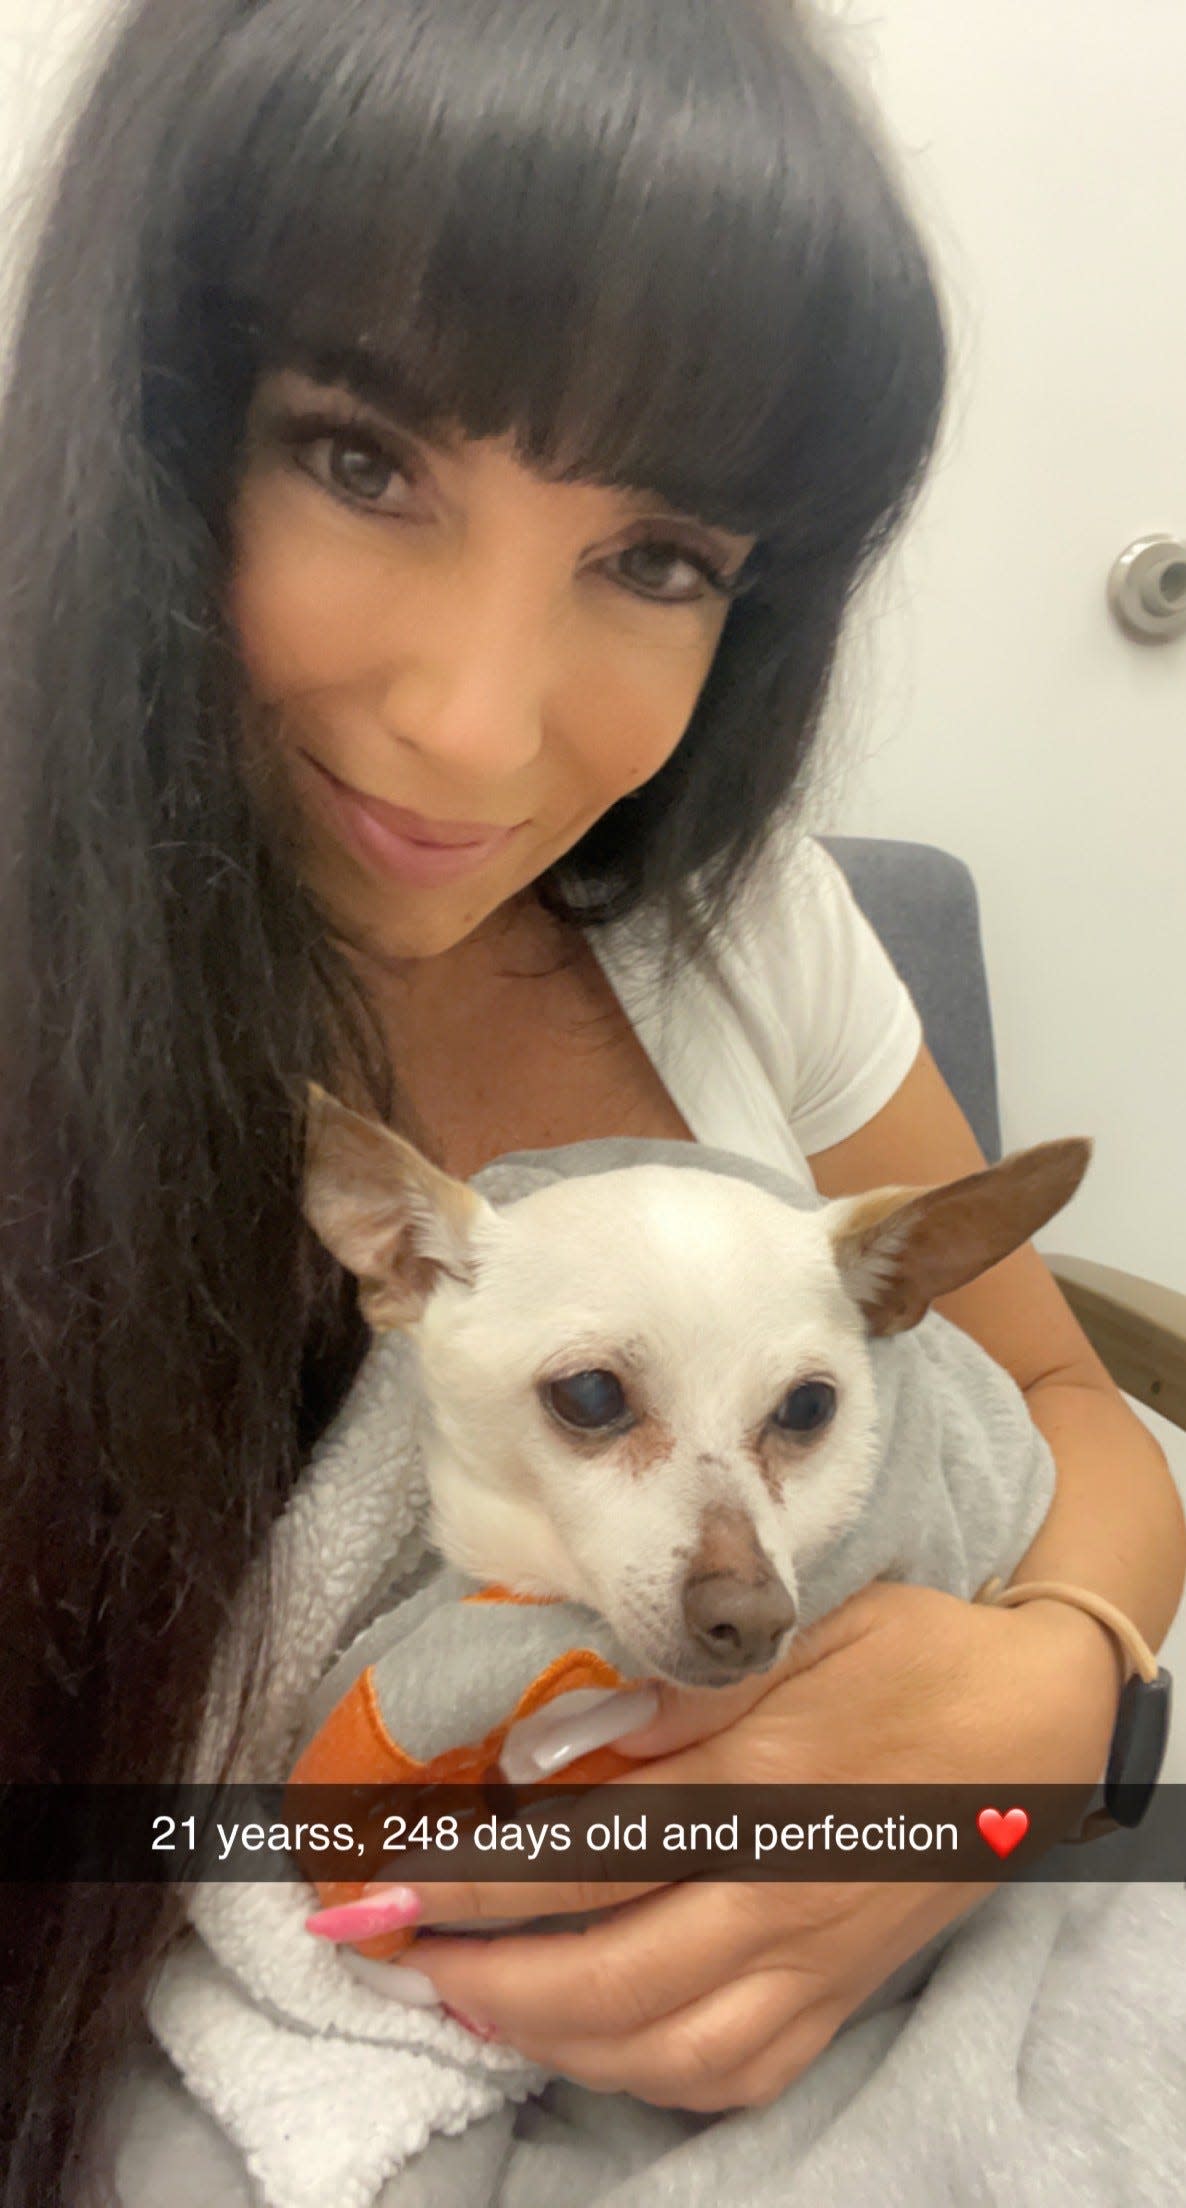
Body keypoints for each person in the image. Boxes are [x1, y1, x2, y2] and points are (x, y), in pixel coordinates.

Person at [0, 0, 1181, 2200]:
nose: (470, 727)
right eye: (360, 458)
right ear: (154, 416)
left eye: (655, 559)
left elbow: (1072, 1412)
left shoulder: (748, 924)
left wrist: (1048, 1711)